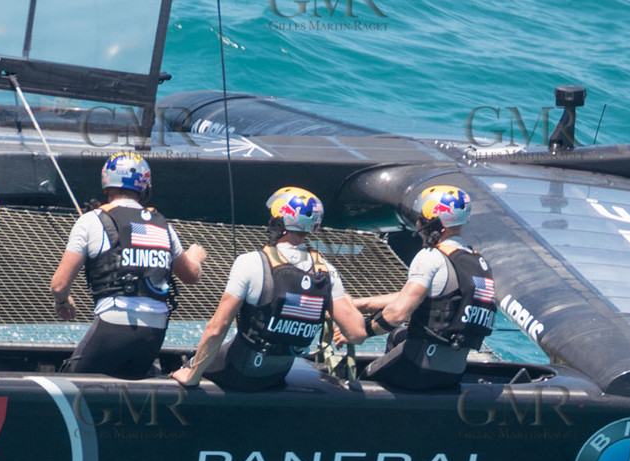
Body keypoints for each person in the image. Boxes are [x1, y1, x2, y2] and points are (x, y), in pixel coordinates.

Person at [171, 187, 366, 391]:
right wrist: (336, 291)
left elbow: (216, 329)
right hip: (276, 375)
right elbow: (357, 333)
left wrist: (191, 374)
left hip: (240, 372)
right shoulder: (327, 271)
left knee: (186, 365)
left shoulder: (250, 262)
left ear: (278, 223)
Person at [50, 152, 206, 378]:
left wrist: (63, 300)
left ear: (106, 184)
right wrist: (195, 256)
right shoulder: (163, 227)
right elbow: (191, 275)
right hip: (154, 332)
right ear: (144, 187)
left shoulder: (91, 221)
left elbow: (58, 285)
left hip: (113, 324)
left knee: (72, 383)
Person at [356, 185, 494, 390]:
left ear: (435, 224)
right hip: (453, 372)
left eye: (421, 218)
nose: (418, 223)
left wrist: (360, 331)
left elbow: (396, 314)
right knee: (398, 337)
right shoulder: (477, 261)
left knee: (363, 380)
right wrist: (360, 304)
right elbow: (423, 296)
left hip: (418, 369)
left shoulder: (430, 257)